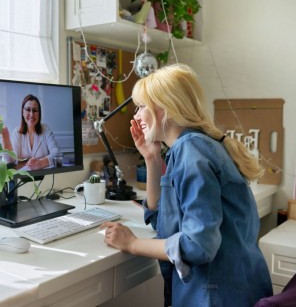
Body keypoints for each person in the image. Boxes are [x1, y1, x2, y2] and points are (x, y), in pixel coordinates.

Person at [100, 64, 273, 306]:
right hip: (237, 290)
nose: (136, 116)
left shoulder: (191, 150)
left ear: (164, 108)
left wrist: (132, 244)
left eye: (141, 106)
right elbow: (161, 221)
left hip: (217, 298)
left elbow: (198, 245)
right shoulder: (196, 145)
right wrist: (152, 159)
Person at [2, 94, 60, 171]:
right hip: (20, 177)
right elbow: (11, 161)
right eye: (28, 109)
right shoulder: (16, 132)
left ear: (39, 113)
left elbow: (57, 153)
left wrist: (40, 163)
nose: (31, 114)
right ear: (23, 112)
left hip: (44, 176)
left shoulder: (46, 129)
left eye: (35, 110)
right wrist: (5, 136)